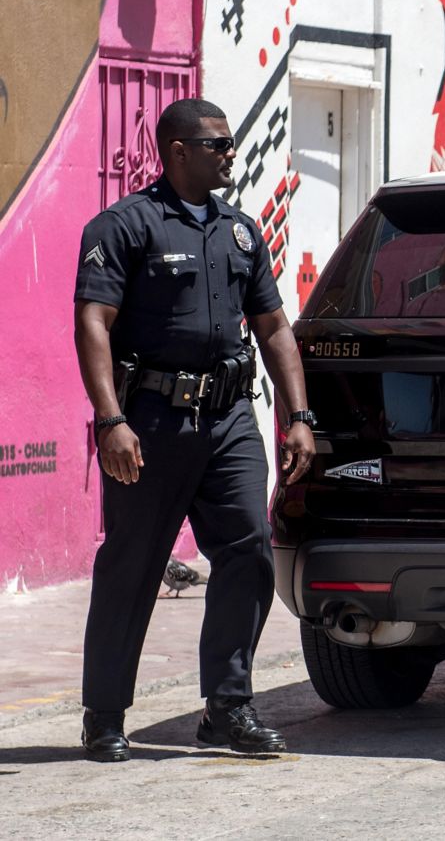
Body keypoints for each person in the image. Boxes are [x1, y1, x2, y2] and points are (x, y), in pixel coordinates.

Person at [74, 97, 316, 762]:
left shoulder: (240, 232)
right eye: (219, 144)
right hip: (149, 421)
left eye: (232, 143)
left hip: (231, 418)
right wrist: (110, 421)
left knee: (248, 554)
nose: (230, 154)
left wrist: (298, 416)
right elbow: (92, 322)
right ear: (177, 151)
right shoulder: (125, 227)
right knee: (133, 565)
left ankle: (228, 708)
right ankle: (104, 714)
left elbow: (272, 328)